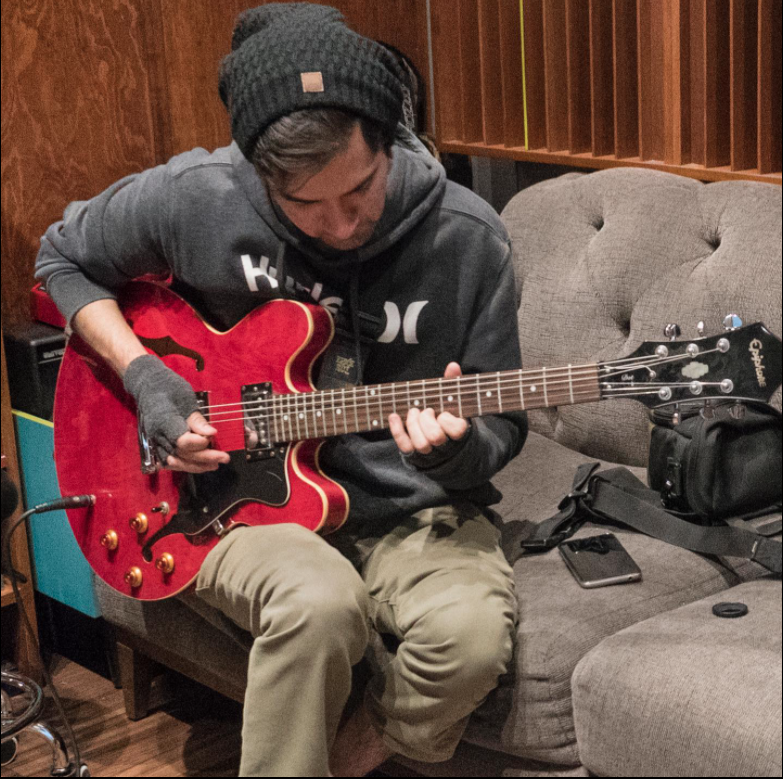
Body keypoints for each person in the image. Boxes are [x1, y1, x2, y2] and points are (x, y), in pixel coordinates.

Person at [35, 3, 527, 776]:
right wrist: (146, 375)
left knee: (466, 639)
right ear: (258, 174)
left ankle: (342, 758)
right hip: (227, 497)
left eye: (360, 189)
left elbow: (501, 424)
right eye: (304, 204)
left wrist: (454, 449)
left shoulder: (467, 240)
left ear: (388, 140)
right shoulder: (197, 194)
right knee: (317, 601)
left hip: (408, 510)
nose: (341, 224)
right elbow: (61, 260)